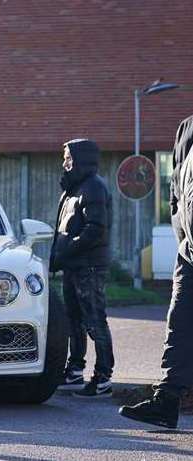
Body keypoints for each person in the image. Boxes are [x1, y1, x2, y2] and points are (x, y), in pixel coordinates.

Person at [119, 115, 193, 429]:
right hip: (189, 249)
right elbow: (179, 191)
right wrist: (181, 235)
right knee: (180, 324)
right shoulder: (186, 130)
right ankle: (167, 400)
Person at [51, 139, 115, 398]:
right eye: (64, 157)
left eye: (68, 157)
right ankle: (75, 370)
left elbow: (96, 230)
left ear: (81, 159)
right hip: (73, 266)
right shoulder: (73, 188)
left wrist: (68, 250)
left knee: (94, 321)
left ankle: (103, 378)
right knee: (72, 320)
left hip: (89, 267)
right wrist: (60, 256)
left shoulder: (94, 188)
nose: (65, 162)